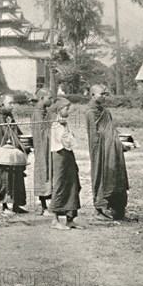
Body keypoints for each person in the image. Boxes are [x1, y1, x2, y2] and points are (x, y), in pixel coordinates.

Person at [85, 84, 129, 220]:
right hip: (101, 152)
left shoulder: (106, 112)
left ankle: (117, 209)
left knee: (116, 175)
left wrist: (121, 141)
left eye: (105, 94)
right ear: (92, 95)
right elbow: (95, 136)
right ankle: (100, 209)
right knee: (102, 176)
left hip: (113, 151)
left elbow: (112, 129)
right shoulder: (90, 113)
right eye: (101, 94)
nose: (104, 96)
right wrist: (112, 140)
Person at [0, 94, 28, 215]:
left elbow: (16, 130)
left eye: (13, 103)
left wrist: (24, 140)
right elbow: (7, 134)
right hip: (4, 152)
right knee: (4, 178)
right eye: (10, 103)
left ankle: (16, 205)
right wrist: (18, 142)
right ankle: (4, 206)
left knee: (17, 176)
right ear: (2, 105)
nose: (12, 106)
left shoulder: (9, 116)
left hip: (14, 151)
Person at [49, 97, 82, 230]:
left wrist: (69, 134)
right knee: (60, 185)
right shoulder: (56, 125)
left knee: (73, 184)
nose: (68, 111)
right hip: (59, 156)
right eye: (66, 108)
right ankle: (55, 220)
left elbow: (71, 140)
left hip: (68, 155)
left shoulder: (64, 124)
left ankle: (70, 218)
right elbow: (66, 141)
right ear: (59, 110)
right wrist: (68, 135)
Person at [32, 87, 54, 215]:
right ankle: (44, 206)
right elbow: (41, 132)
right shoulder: (37, 113)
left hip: (49, 147)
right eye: (49, 98)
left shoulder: (46, 112)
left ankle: (50, 205)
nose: (51, 100)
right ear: (41, 98)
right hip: (42, 149)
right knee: (42, 173)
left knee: (50, 173)